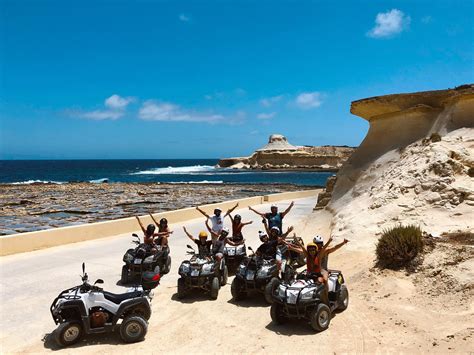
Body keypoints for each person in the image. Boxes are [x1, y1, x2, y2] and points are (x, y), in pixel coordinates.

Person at [296, 235, 349, 305]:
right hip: (313, 271)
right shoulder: (312, 252)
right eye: (316, 243)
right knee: (301, 278)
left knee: (325, 280)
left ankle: (326, 295)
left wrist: (343, 243)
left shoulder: (324, 251)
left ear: (322, 243)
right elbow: (301, 250)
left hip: (323, 270)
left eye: (320, 243)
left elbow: (335, 247)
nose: (318, 245)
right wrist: (289, 246)